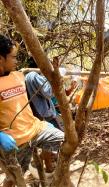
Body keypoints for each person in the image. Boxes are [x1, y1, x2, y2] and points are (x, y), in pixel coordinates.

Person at [0, 34, 64, 186]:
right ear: (0, 59)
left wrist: (41, 122)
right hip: (15, 143)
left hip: (36, 130)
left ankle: (44, 170)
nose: (16, 61)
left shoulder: (19, 76)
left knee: (66, 141)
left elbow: (27, 103)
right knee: (13, 179)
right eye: (13, 57)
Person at [25, 57, 77, 131]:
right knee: (60, 135)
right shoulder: (32, 75)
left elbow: (63, 92)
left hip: (49, 114)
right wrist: (59, 76)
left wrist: (71, 87)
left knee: (62, 132)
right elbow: (48, 92)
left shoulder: (38, 76)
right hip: (44, 116)